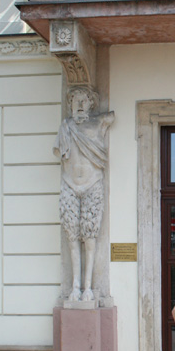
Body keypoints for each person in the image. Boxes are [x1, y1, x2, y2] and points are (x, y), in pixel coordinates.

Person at [53, 85, 115, 302]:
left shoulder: (99, 122)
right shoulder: (66, 127)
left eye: (83, 100)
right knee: (72, 238)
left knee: (90, 238)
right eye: (75, 101)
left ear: (91, 104)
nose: (79, 105)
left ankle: (88, 286)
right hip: (69, 184)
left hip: (92, 184)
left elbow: (111, 116)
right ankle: (75, 286)